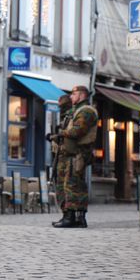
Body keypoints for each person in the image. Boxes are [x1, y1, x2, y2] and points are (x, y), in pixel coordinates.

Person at [49, 85, 98, 228]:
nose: (71, 96)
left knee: (71, 186)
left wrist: (59, 135)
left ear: (82, 95)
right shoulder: (75, 110)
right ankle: (74, 217)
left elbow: (77, 131)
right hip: (68, 154)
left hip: (76, 154)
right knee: (68, 185)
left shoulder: (86, 111)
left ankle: (71, 218)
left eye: (73, 94)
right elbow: (68, 125)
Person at [48, 94, 73, 226]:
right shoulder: (67, 117)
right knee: (63, 187)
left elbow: (68, 136)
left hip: (66, 157)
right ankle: (67, 216)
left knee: (63, 188)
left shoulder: (69, 117)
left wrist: (56, 137)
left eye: (61, 106)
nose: (60, 108)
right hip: (62, 156)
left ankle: (67, 216)